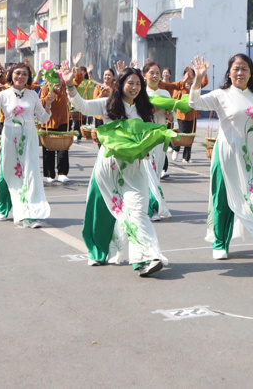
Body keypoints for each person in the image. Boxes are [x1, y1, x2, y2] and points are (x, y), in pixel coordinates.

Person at [187, 53, 253, 265]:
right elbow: (194, 102)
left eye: (244, 68)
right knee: (223, 200)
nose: (240, 72)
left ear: (251, 73)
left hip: (252, 155)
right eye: (236, 68)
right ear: (229, 72)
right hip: (226, 153)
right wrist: (198, 78)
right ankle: (220, 243)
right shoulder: (220, 94)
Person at [68, 65, 168, 277]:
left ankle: (147, 258)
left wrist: (146, 149)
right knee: (101, 210)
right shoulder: (107, 105)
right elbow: (83, 107)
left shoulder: (143, 109)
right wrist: (70, 85)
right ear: (120, 84)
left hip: (135, 169)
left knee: (138, 211)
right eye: (130, 83)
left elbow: (147, 136)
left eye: (138, 84)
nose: (134, 87)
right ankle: (97, 251)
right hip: (109, 166)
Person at [0, 63, 54, 228]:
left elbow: (43, 119)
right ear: (10, 76)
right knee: (7, 175)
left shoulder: (33, 95)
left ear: (28, 77)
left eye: (24, 74)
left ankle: (28, 214)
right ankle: (3, 207)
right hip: (10, 140)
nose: (20, 77)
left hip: (29, 139)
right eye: (17, 73)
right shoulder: (3, 95)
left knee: (30, 175)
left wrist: (49, 103)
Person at [142, 61, 173, 220]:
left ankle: (151, 205)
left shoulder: (165, 94)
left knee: (156, 173)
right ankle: (153, 208)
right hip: (146, 138)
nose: (155, 76)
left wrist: (169, 115)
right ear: (144, 75)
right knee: (149, 173)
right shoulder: (140, 94)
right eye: (151, 73)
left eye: (157, 73)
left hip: (161, 138)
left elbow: (169, 116)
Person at [39, 69, 70, 184]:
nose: (57, 80)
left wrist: (74, 67)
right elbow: (40, 102)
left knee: (63, 147)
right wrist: (47, 99)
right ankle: (49, 174)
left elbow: (76, 82)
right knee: (48, 149)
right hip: (48, 122)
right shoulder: (46, 88)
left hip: (62, 121)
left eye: (59, 77)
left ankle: (62, 173)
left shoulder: (64, 88)